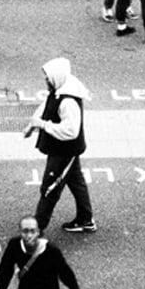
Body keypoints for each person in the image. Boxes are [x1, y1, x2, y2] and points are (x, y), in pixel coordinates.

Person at [22, 58, 96, 233]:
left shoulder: (68, 101)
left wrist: (43, 125)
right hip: (62, 149)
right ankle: (85, 219)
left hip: (64, 151)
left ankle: (38, 227)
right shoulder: (61, 87)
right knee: (76, 181)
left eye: (48, 78)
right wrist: (33, 124)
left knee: (50, 187)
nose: (45, 80)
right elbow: (47, 105)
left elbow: (71, 131)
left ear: (57, 77)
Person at [0, 215, 84, 289]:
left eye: (33, 231)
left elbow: (66, 274)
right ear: (20, 232)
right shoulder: (14, 245)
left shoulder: (51, 251)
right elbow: (4, 273)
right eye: (25, 231)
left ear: (38, 232)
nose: (29, 235)